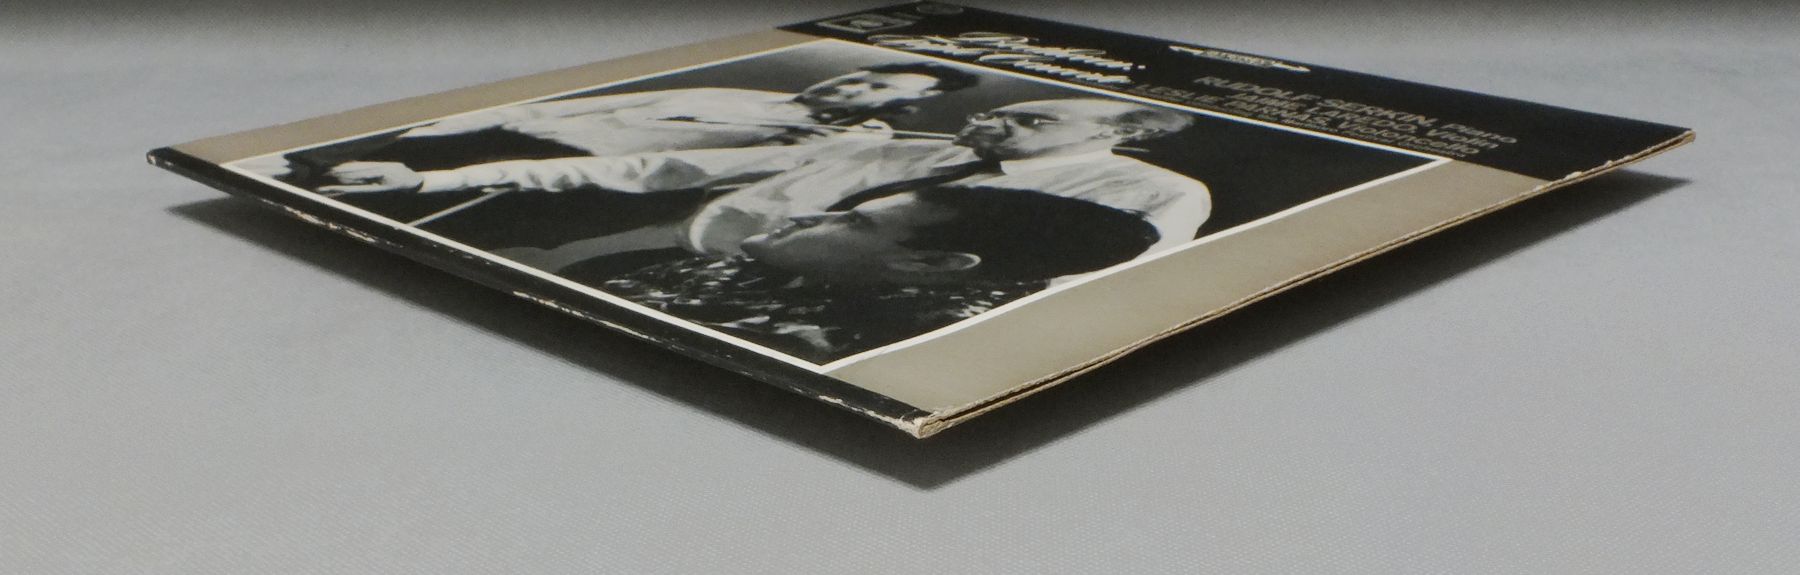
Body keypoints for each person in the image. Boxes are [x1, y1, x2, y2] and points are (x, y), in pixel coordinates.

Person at [321, 97, 1210, 261]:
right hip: (654, 247)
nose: (994, 122)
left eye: (1031, 120)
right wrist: (425, 182)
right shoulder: (902, 144)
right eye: (998, 112)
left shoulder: (1153, 195)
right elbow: (656, 166)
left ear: (1122, 132)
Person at [270, 62, 980, 222]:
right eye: (859, 75)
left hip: (555, 181)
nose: (852, 85)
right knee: (289, 180)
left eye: (875, 87)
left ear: (905, 106)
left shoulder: (835, 139)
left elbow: (655, 167)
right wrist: (430, 133)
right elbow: (608, 104)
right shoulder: (746, 94)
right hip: (485, 138)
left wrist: (433, 177)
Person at [599, 186, 1160, 363]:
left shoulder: (894, 340)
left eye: (853, 221)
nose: (806, 215)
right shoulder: (792, 267)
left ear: (930, 263)